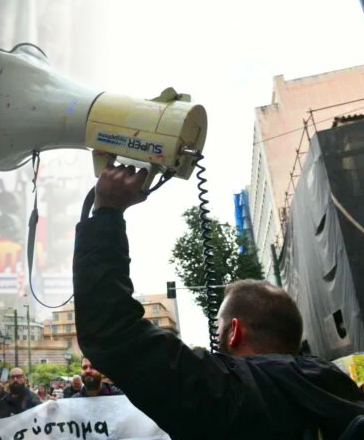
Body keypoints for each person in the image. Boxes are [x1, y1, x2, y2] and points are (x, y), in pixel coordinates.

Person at [74, 165, 364, 439]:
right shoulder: (341, 392)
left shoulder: (227, 393)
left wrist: (107, 212)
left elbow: (111, 331)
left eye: (219, 330)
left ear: (234, 331)